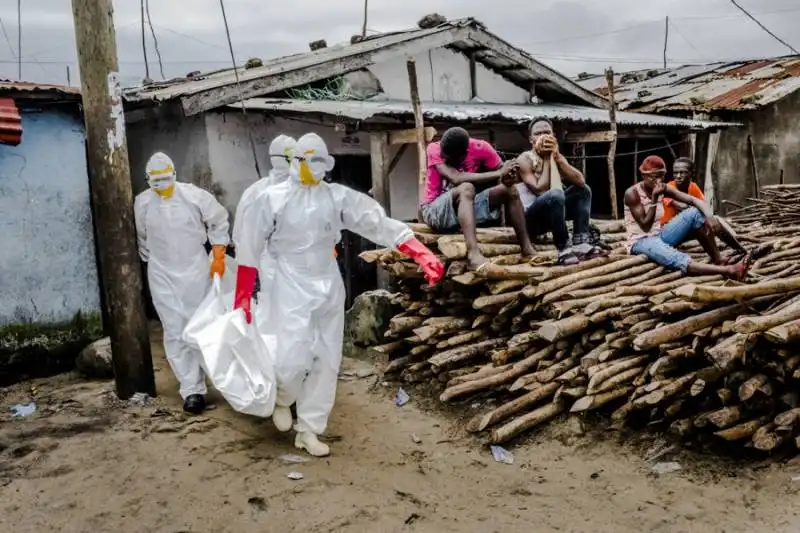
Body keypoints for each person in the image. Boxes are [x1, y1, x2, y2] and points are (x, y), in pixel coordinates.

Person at [233, 132, 444, 457]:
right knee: (292, 356)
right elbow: (249, 244)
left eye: (319, 161)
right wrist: (243, 294)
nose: (313, 168)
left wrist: (418, 250)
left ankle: (309, 430)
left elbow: (374, 221)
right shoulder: (271, 199)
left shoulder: (335, 197)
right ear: (296, 162)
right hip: (290, 281)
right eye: (307, 160)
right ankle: (283, 396)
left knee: (327, 359)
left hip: (327, 282)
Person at [134, 152, 231, 414]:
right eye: (156, 181)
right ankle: (192, 390)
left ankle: (226, 383)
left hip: (196, 268)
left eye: (166, 179)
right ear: (148, 181)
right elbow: (143, 240)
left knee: (204, 326)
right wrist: (152, 263)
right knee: (175, 331)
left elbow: (218, 220)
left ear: (174, 175)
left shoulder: (194, 195)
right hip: (162, 272)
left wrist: (219, 254)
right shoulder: (142, 203)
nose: (162, 185)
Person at [420, 127, 536, 270]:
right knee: (466, 187)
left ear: (465, 154)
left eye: (450, 159)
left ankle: (527, 248)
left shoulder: (482, 148)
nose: (445, 159)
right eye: (444, 156)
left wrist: (508, 175)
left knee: (509, 190)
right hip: (435, 212)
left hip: (464, 211)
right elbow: (455, 178)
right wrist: (499, 173)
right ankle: (473, 254)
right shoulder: (434, 148)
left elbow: (504, 177)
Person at [623, 155, 749, 279]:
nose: (658, 181)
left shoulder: (663, 187)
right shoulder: (632, 194)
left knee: (695, 213)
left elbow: (693, 200)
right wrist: (655, 198)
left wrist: (710, 216)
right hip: (640, 241)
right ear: (643, 176)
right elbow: (645, 226)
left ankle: (718, 259)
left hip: (660, 235)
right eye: (654, 177)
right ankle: (729, 270)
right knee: (676, 257)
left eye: (661, 176)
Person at [516, 118, 604, 265]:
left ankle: (581, 242)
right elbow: (540, 190)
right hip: (532, 218)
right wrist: (545, 158)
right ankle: (563, 248)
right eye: (538, 133)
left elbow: (580, 181)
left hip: (556, 213)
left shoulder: (556, 156)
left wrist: (557, 158)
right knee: (556, 194)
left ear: (554, 136)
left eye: (547, 132)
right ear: (531, 139)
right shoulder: (524, 159)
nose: (543, 136)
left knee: (583, 190)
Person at [661, 157, 747, 262]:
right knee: (698, 214)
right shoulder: (669, 187)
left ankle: (738, 249)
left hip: (684, 231)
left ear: (691, 174)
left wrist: (709, 217)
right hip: (667, 231)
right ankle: (721, 257)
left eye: (682, 173)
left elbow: (704, 205)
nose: (678, 176)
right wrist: (701, 211)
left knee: (714, 219)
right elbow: (681, 206)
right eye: (675, 173)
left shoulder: (693, 187)